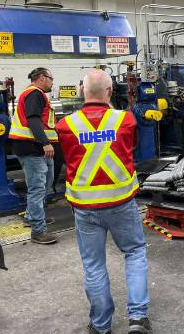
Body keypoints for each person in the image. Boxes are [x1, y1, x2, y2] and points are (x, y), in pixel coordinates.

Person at [56, 70, 151, 334]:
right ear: (110, 92)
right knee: (134, 253)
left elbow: (68, 158)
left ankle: (100, 325)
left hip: (85, 209)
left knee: (94, 265)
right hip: (121, 204)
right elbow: (130, 148)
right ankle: (137, 319)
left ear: (81, 91)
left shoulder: (65, 125)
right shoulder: (126, 120)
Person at [8, 67, 58, 244]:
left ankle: (32, 216)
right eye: (51, 78)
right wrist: (45, 143)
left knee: (46, 182)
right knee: (37, 188)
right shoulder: (34, 94)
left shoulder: (36, 94)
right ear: (43, 78)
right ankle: (38, 231)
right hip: (32, 147)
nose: (52, 82)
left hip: (35, 147)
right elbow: (33, 119)